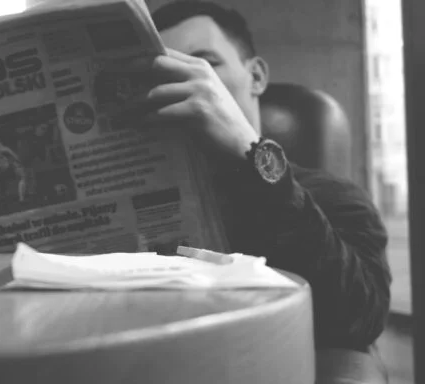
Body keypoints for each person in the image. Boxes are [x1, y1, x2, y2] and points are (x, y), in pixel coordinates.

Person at [146, 0, 392, 358]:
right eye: (167, 73)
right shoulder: (153, 197)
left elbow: (361, 317)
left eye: (205, 64)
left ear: (257, 76)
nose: (184, 82)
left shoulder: (333, 195)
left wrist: (250, 149)